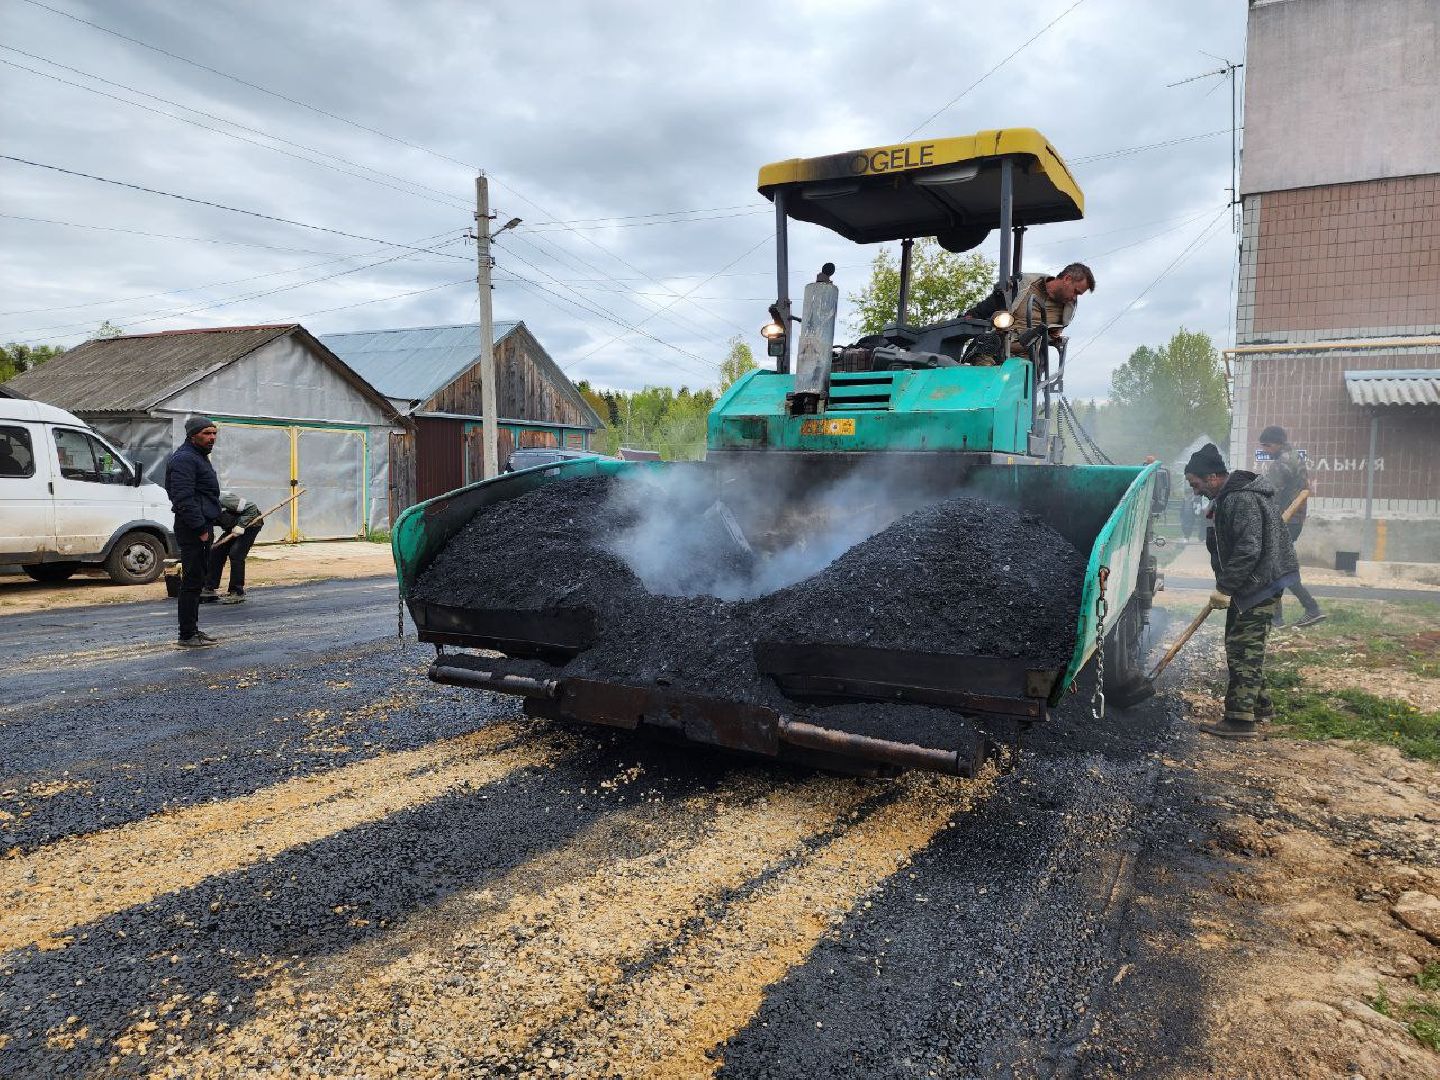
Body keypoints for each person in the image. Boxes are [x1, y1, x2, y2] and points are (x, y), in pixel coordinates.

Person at [1184, 442, 1301, 740]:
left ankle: (1240, 720)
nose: (1196, 491)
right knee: (1243, 644)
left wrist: (1225, 587)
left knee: (1242, 648)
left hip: (1260, 582)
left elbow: (1249, 548)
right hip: (1253, 581)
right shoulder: (1229, 498)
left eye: (1196, 484)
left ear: (1212, 477)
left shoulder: (1241, 499)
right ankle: (1260, 706)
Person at [1258, 425, 1325, 628]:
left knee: (1278, 567)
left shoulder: (1283, 463)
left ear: (1277, 443)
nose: (1265, 450)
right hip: (1293, 520)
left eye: (1266, 446)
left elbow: (1268, 491)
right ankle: (1277, 618)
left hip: (1286, 520)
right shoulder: (1294, 456)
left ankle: (1310, 609)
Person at [164, 416, 222, 648]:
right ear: (192, 435)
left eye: (214, 433)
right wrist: (200, 528)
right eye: (207, 433)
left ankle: (193, 629)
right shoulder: (185, 459)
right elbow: (182, 497)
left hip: (201, 525)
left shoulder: (197, 456)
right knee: (191, 582)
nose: (212, 438)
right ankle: (187, 635)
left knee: (197, 581)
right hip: (193, 529)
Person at [964, 262, 1095, 353]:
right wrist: (967, 318)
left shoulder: (1066, 311)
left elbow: (1051, 336)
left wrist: (1054, 338)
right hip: (994, 348)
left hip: (1027, 361)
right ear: (1067, 279)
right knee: (982, 369)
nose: (1074, 298)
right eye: (1076, 292)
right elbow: (986, 308)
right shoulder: (1021, 284)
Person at [203, 491, 263, 605]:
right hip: (233, 527)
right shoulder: (200, 507)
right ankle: (209, 589)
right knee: (216, 551)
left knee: (236, 554)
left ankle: (237, 592)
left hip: (250, 525)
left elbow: (252, 508)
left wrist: (240, 525)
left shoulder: (223, 499)